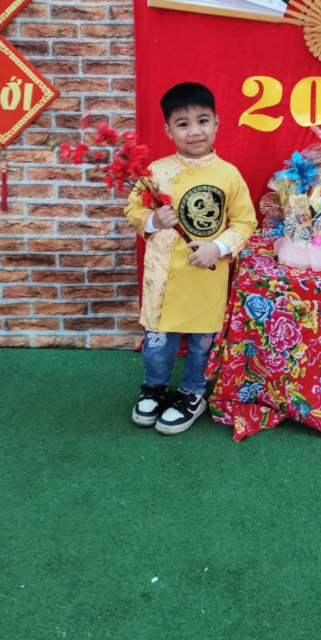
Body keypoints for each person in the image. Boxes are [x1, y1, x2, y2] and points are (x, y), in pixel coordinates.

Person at [125, 82, 257, 435]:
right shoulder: (154, 172)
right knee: (158, 343)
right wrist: (153, 220)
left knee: (201, 344)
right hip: (163, 276)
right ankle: (154, 388)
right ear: (169, 131)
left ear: (217, 123)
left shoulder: (228, 174)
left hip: (206, 275)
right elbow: (133, 209)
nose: (194, 131)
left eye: (203, 120)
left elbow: (245, 222)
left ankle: (193, 392)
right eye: (183, 124)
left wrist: (219, 247)